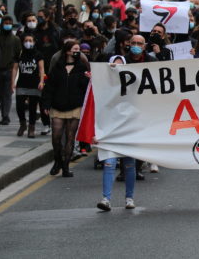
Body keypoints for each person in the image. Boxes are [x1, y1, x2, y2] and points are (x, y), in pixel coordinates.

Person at [42, 40, 91, 177]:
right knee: (56, 137)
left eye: (78, 50)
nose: (77, 52)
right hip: (57, 106)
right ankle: (57, 161)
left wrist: (88, 78)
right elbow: (49, 88)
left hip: (75, 107)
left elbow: (86, 88)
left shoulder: (81, 68)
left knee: (70, 138)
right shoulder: (57, 67)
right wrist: (46, 104)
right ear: (68, 51)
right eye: (75, 49)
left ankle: (66, 166)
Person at [95, 56, 137, 211]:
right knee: (109, 164)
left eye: (120, 66)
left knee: (129, 165)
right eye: (113, 66)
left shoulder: (133, 88)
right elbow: (96, 110)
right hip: (109, 131)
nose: (116, 69)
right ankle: (106, 199)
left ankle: (129, 198)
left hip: (127, 131)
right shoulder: (102, 88)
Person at [12, 33, 44, 138]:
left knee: (32, 107)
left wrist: (41, 81)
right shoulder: (20, 54)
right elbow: (15, 68)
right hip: (22, 83)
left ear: (34, 42)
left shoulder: (38, 54)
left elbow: (41, 69)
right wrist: (12, 82)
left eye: (30, 40)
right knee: (19, 106)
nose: (28, 43)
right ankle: (23, 124)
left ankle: (31, 127)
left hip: (34, 83)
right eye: (26, 40)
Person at [0, 14, 21, 125]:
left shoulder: (15, 39)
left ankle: (5, 115)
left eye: (10, 23)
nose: (8, 25)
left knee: (7, 95)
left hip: (9, 69)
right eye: (6, 23)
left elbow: (18, 54)